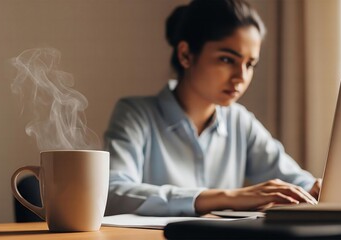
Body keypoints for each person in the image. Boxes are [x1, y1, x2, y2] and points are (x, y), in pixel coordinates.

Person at [104, 0, 322, 216]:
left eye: (250, 64)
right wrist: (229, 197)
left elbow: (295, 180)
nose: (241, 77)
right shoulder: (136, 115)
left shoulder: (239, 121)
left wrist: (317, 188)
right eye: (227, 59)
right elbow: (113, 192)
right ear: (186, 55)